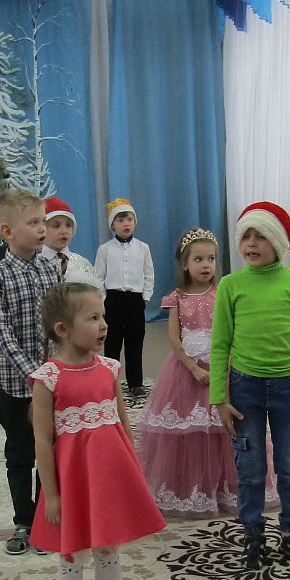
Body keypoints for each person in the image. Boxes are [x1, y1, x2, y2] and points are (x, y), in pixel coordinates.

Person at [30, 282, 165, 580]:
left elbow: (122, 422)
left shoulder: (109, 368)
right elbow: (42, 442)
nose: (104, 324)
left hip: (109, 480)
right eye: (93, 317)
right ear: (63, 329)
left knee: (109, 551)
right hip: (72, 483)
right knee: (71, 555)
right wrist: (52, 494)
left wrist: (132, 472)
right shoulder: (48, 378)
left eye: (103, 316)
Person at [211, 201, 290, 571]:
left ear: (277, 242)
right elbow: (220, 344)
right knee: (251, 465)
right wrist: (219, 397)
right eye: (246, 236)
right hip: (245, 389)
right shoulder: (230, 285)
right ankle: (253, 533)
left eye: (261, 236)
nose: (252, 244)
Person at [136, 228, 242, 519]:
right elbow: (173, 337)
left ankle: (223, 486)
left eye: (211, 259)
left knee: (221, 428)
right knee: (188, 429)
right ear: (185, 263)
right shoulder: (177, 298)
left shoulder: (222, 293)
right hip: (186, 371)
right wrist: (192, 367)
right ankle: (188, 487)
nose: (206, 265)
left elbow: (231, 330)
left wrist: (227, 363)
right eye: (198, 259)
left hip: (220, 368)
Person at [0, 188, 62, 555]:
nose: (42, 228)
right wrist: (34, 373)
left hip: (51, 384)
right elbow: (2, 333)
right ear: (8, 231)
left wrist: (61, 367)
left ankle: (47, 522)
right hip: (16, 386)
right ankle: (23, 521)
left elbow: (61, 323)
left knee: (48, 451)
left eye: (43, 221)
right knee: (20, 454)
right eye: (34, 222)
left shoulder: (51, 269)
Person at [93, 197, 153, 403]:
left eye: (129, 219)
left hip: (135, 300)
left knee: (135, 342)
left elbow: (149, 274)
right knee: (112, 342)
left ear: (134, 222)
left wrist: (145, 297)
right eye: (120, 220)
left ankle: (135, 383)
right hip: (113, 300)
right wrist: (103, 300)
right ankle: (110, 382)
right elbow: (98, 277)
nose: (125, 223)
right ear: (112, 225)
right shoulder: (105, 249)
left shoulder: (143, 248)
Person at [39, 196, 102, 287]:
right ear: (42, 229)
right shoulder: (35, 265)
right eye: (56, 226)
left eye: (68, 225)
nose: (64, 231)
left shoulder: (82, 263)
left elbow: (97, 292)